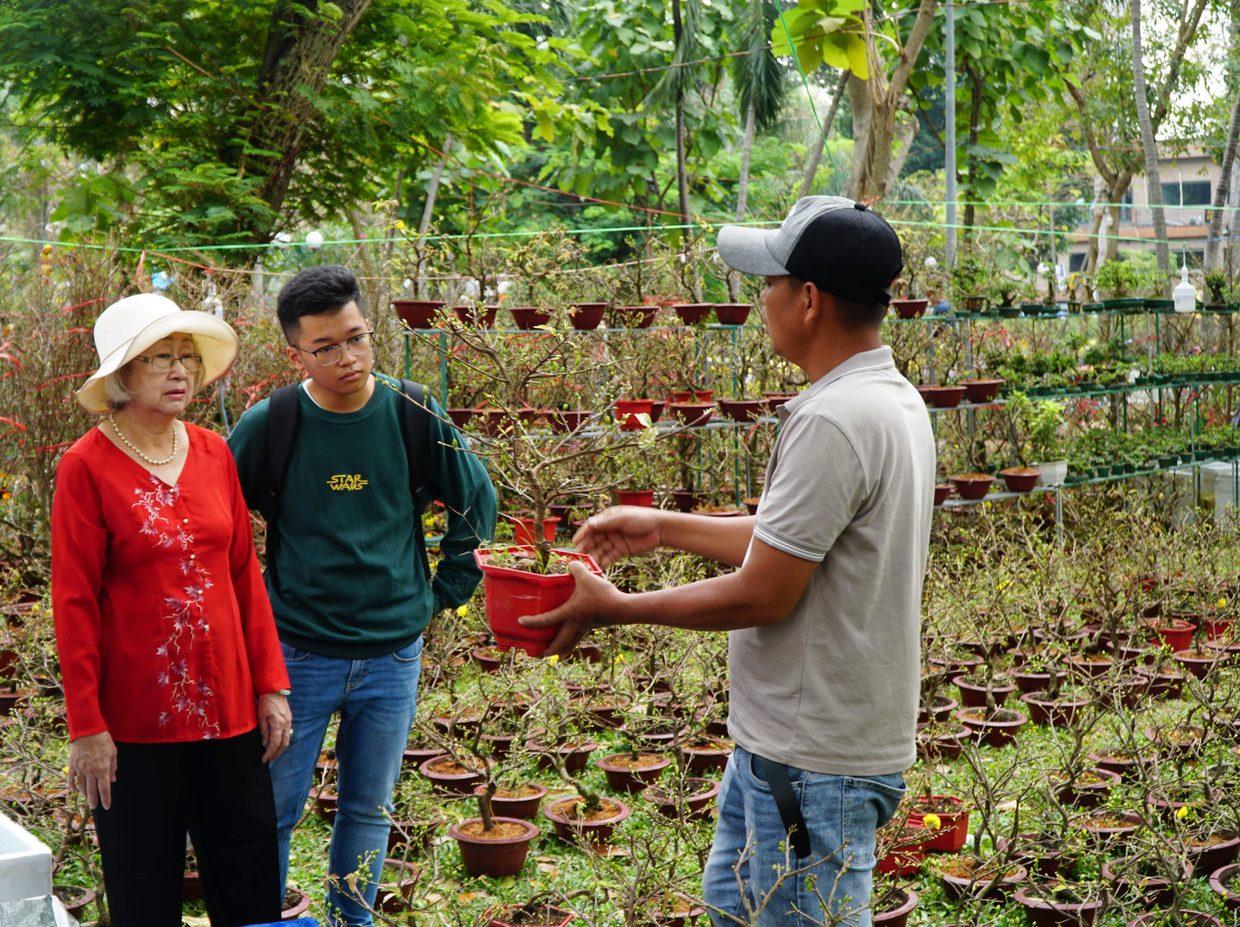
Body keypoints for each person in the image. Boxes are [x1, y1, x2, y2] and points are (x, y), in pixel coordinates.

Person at [522, 196, 936, 927]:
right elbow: (792, 537)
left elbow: (765, 593)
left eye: (768, 281)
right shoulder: (887, 398)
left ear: (808, 299)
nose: (760, 298)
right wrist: (661, 526)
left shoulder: (834, 419)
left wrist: (613, 608)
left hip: (812, 767)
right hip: (798, 753)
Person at [227, 265, 497, 925]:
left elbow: (475, 500)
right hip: (297, 655)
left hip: (392, 655)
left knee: (368, 807)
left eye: (358, 338)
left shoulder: (410, 410)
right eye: (327, 347)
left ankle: (354, 917)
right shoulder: (273, 424)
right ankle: (267, 917)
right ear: (296, 354)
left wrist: (440, 595)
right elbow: (221, 528)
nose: (348, 358)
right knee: (276, 808)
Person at [53, 293, 292, 927]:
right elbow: (74, 601)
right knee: (143, 885)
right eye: (159, 358)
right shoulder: (85, 467)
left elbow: (244, 576)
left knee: (248, 876)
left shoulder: (214, 452)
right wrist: (86, 726)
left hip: (230, 710)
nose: (180, 370)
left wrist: (271, 687)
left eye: (187, 356)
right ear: (122, 376)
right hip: (134, 724)